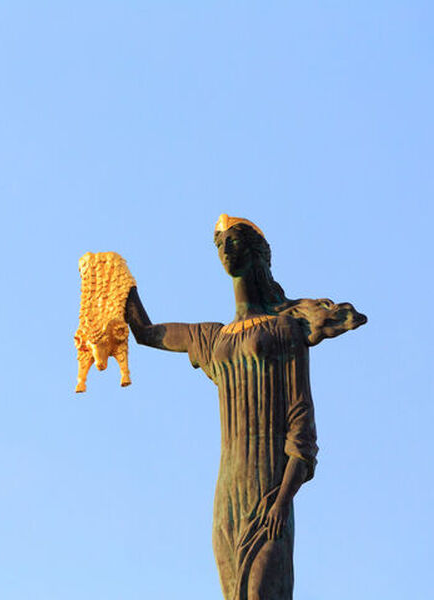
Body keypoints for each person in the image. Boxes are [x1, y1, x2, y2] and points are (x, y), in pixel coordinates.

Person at [123, 214, 366, 600]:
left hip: (270, 486)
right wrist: (117, 280)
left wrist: (283, 499)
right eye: (218, 244)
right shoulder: (211, 338)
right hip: (229, 491)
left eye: (232, 241)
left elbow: (301, 422)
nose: (224, 250)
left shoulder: (283, 330)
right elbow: (146, 333)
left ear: (257, 254)